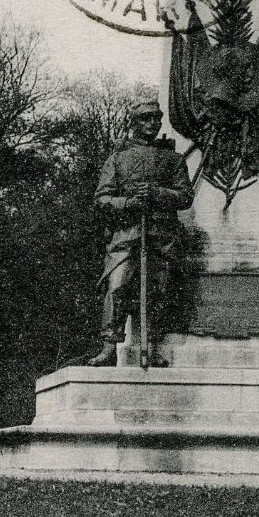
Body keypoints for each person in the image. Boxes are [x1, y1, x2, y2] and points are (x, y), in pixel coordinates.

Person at [83, 97, 194, 367]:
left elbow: (185, 196)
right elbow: (102, 199)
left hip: (161, 235)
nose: (152, 123)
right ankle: (109, 346)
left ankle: (151, 346)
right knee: (117, 285)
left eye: (156, 118)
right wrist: (128, 203)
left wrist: (158, 193)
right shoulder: (117, 159)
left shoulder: (173, 159)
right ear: (134, 123)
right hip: (127, 233)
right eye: (145, 118)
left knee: (157, 290)